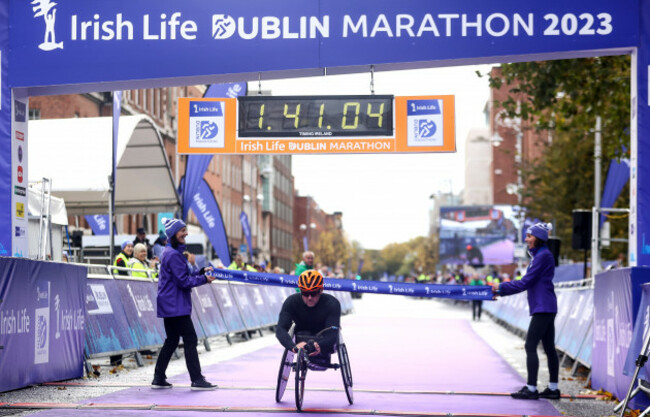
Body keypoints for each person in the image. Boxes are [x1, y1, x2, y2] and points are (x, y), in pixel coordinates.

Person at [494, 222, 560, 400]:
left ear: (538, 238)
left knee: (530, 345)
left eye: (529, 236)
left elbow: (524, 283)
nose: (526, 239)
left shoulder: (542, 256)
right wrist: (500, 290)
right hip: (545, 306)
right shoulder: (540, 255)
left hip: (543, 307)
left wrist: (500, 288)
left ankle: (531, 389)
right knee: (548, 348)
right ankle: (553, 388)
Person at [152, 217, 217, 390]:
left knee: (172, 340)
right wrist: (204, 279)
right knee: (190, 339)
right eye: (183, 231)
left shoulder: (172, 253)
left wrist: (201, 271)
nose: (186, 233)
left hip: (171, 304)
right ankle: (196, 379)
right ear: (173, 234)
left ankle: (158, 377)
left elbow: (186, 274)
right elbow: (183, 281)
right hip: (175, 305)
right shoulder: (173, 255)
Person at [276, 270, 341, 366]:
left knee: (331, 336)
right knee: (302, 334)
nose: (309, 297)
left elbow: (333, 334)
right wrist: (292, 346)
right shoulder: (291, 302)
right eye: (305, 293)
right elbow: (280, 328)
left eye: (313, 293)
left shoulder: (332, 303)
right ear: (300, 290)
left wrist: (319, 345)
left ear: (321, 290)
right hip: (301, 336)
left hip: (324, 338)